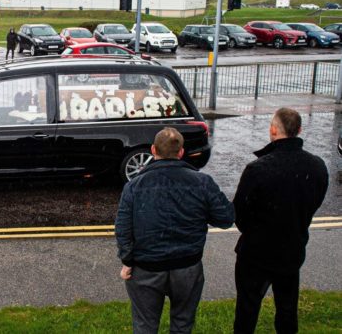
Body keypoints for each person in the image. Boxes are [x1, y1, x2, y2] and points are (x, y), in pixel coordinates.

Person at [115, 127, 234, 333]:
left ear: (153, 150)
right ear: (181, 152)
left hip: (146, 269)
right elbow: (225, 219)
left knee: (145, 326)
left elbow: (123, 228)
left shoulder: (134, 186)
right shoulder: (202, 182)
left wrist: (127, 261)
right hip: (187, 267)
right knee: (182, 323)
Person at [233, 108, 328, 334]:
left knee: (247, 310)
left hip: (256, 253)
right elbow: (315, 200)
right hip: (292, 249)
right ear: (299, 130)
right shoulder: (317, 166)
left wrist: (255, 231)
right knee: (287, 309)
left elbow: (239, 213)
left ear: (274, 130)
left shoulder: (258, 169)